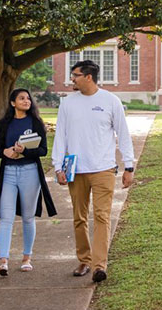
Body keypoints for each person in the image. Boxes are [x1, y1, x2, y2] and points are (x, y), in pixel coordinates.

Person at [53, 59, 135, 283]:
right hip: (75, 169)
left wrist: (129, 166)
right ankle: (84, 260)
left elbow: (123, 135)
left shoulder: (110, 101)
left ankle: (100, 265)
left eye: (75, 75)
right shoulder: (68, 103)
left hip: (103, 169)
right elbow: (61, 136)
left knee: (102, 217)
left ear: (88, 77)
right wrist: (57, 166)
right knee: (79, 218)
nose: (72, 79)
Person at [0, 88, 56, 276]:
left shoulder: (35, 122)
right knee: (6, 216)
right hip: (9, 173)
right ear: (13, 103)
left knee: (28, 217)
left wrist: (24, 151)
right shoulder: (4, 124)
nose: (26, 101)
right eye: (21, 98)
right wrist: (6, 151)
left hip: (30, 172)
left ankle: (27, 258)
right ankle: (3, 260)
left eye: (28, 98)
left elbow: (43, 150)